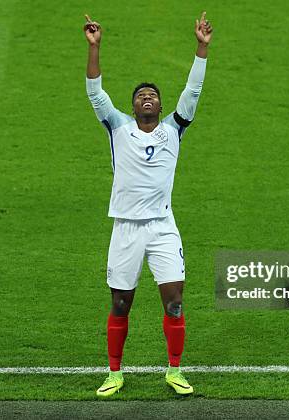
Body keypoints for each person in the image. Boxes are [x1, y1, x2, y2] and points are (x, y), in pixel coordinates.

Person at [83, 12, 213, 397]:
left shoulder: (174, 129)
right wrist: (95, 48)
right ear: (132, 106)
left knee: (174, 302)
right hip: (125, 228)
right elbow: (94, 92)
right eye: (140, 94)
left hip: (162, 227)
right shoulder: (117, 127)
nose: (147, 96)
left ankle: (174, 371)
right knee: (120, 304)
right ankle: (114, 373)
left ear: (160, 104)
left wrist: (202, 48)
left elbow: (192, 91)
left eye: (153, 94)